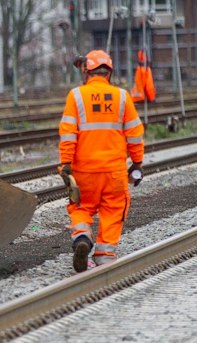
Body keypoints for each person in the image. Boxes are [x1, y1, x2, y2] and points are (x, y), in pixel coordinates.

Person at [58, 49, 145, 272]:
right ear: (109, 73)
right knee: (113, 209)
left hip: (84, 171)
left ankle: (82, 237)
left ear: (87, 72)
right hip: (114, 172)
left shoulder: (75, 96)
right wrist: (137, 162)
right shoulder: (123, 97)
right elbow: (135, 134)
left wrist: (66, 165)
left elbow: (68, 133)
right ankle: (105, 257)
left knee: (80, 206)